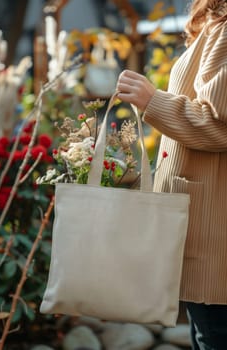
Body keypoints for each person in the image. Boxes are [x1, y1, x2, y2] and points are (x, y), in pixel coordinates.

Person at [116, 1, 227, 349]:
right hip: (202, 223)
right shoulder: (217, 19)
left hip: (213, 234)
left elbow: (219, 124)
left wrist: (153, 101)